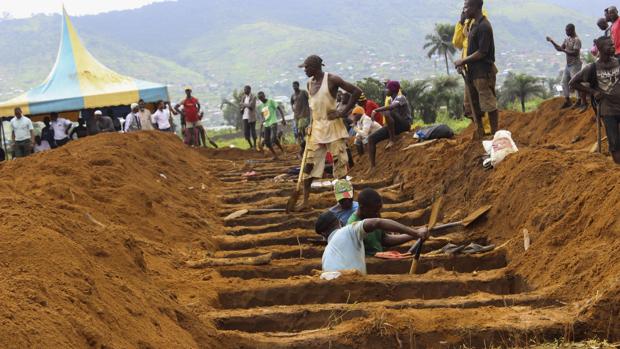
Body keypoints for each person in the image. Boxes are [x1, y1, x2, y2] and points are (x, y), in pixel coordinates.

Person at [297, 55, 362, 211]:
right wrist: (311, 125)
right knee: (308, 165)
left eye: (306, 67)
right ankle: (305, 201)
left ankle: (346, 201)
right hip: (317, 129)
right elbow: (314, 108)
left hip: (333, 127)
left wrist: (342, 112)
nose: (305, 70)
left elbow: (356, 91)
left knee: (340, 165)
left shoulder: (332, 79)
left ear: (315, 67)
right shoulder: (308, 83)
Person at [315, 210, 429, 274]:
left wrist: (414, 234)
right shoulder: (348, 230)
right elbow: (377, 223)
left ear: (324, 235)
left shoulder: (325, 256)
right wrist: (416, 233)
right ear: (340, 222)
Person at [570, 36, 620, 165]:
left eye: (613, 44)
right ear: (601, 49)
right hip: (607, 110)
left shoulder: (618, 63)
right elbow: (573, 83)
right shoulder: (592, 68)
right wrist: (593, 92)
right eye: (610, 45)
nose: (613, 47)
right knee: (614, 143)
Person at [455, 0, 499, 140]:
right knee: (472, 106)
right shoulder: (473, 25)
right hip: (472, 73)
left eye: (466, 7)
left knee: (488, 104)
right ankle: (480, 133)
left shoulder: (484, 27)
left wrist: (463, 60)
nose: (464, 10)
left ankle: (494, 134)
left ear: (475, 7)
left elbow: (482, 52)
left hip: (483, 72)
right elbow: (468, 46)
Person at [348, 188, 420, 256]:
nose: (377, 214)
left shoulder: (373, 214)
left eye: (378, 210)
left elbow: (384, 239)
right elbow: (378, 223)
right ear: (362, 207)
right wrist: (415, 233)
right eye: (374, 211)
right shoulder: (353, 224)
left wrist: (413, 236)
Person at [367, 80, 412, 170]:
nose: (386, 90)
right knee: (371, 139)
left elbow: (392, 107)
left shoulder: (401, 97)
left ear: (393, 90)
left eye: (387, 88)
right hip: (395, 127)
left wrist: (376, 110)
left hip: (404, 124)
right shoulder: (391, 99)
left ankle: (392, 139)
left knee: (388, 111)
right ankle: (372, 167)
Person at [547, 24, 587, 111]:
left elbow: (575, 53)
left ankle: (579, 101)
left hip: (575, 65)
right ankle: (568, 100)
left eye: (567, 30)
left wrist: (564, 50)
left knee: (575, 83)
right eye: (565, 30)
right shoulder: (567, 39)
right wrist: (552, 41)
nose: (566, 32)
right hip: (568, 65)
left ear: (572, 30)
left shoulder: (577, 40)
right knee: (564, 82)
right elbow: (560, 48)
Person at [257, 91, 286, 160]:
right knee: (267, 142)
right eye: (260, 98)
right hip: (267, 124)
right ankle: (275, 155)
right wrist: (262, 122)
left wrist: (283, 119)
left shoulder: (271, 101)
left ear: (264, 95)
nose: (261, 99)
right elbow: (262, 116)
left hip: (273, 122)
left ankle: (282, 150)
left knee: (273, 138)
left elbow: (279, 109)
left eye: (262, 97)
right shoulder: (260, 106)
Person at [291, 81, 311, 157]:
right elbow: (291, 103)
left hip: (304, 115)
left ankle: (303, 150)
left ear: (298, 85)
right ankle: (303, 149)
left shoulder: (303, 92)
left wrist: (310, 109)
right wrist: (293, 110)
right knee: (298, 134)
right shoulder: (293, 95)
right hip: (297, 116)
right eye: (293, 86)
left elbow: (310, 99)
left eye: (295, 85)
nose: (294, 87)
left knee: (302, 131)